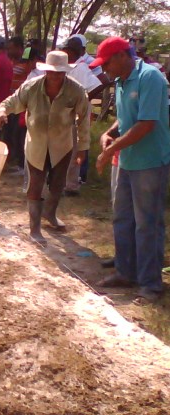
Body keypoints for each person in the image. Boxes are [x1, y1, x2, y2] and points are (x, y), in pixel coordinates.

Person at [93, 37, 170, 304]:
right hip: (127, 161)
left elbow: (146, 124)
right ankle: (125, 273)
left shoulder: (150, 78)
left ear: (122, 57)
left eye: (107, 64)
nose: (105, 70)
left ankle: (150, 284)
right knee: (122, 218)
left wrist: (111, 150)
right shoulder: (120, 81)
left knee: (147, 224)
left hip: (149, 162)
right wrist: (108, 133)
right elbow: (125, 119)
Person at [0, 51, 89, 245]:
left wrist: (83, 147)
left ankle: (50, 214)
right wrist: (2, 113)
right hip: (36, 144)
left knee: (57, 185)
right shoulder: (31, 87)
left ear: (65, 72)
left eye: (60, 73)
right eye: (52, 72)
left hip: (62, 145)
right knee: (35, 185)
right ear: (45, 71)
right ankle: (34, 228)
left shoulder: (76, 91)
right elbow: (10, 102)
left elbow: (84, 119)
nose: (56, 76)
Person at [61, 37, 104, 197]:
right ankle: (63, 181)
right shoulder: (69, 66)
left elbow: (98, 85)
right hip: (64, 114)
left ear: (73, 51)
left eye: (67, 50)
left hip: (76, 115)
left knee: (74, 150)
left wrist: (81, 101)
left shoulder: (81, 67)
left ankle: (71, 186)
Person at [5, 37, 29, 173]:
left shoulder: (25, 63)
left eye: (12, 47)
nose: (9, 50)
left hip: (20, 103)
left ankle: (20, 161)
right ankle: (12, 157)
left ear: (19, 48)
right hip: (10, 102)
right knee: (9, 131)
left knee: (18, 132)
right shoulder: (11, 62)